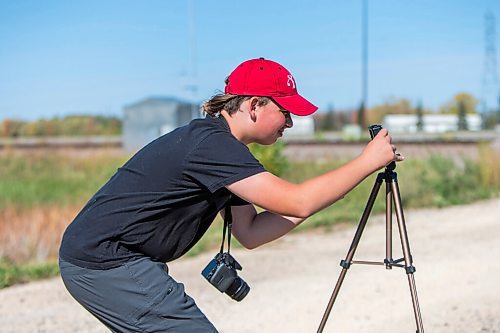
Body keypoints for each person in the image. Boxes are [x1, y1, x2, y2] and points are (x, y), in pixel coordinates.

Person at [59, 57, 403, 332]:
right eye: (285, 112)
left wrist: (332, 190)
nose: (290, 123)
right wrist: (366, 163)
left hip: (108, 260)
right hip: (106, 262)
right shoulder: (213, 146)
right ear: (254, 105)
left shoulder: (221, 148)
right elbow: (298, 200)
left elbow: (250, 232)